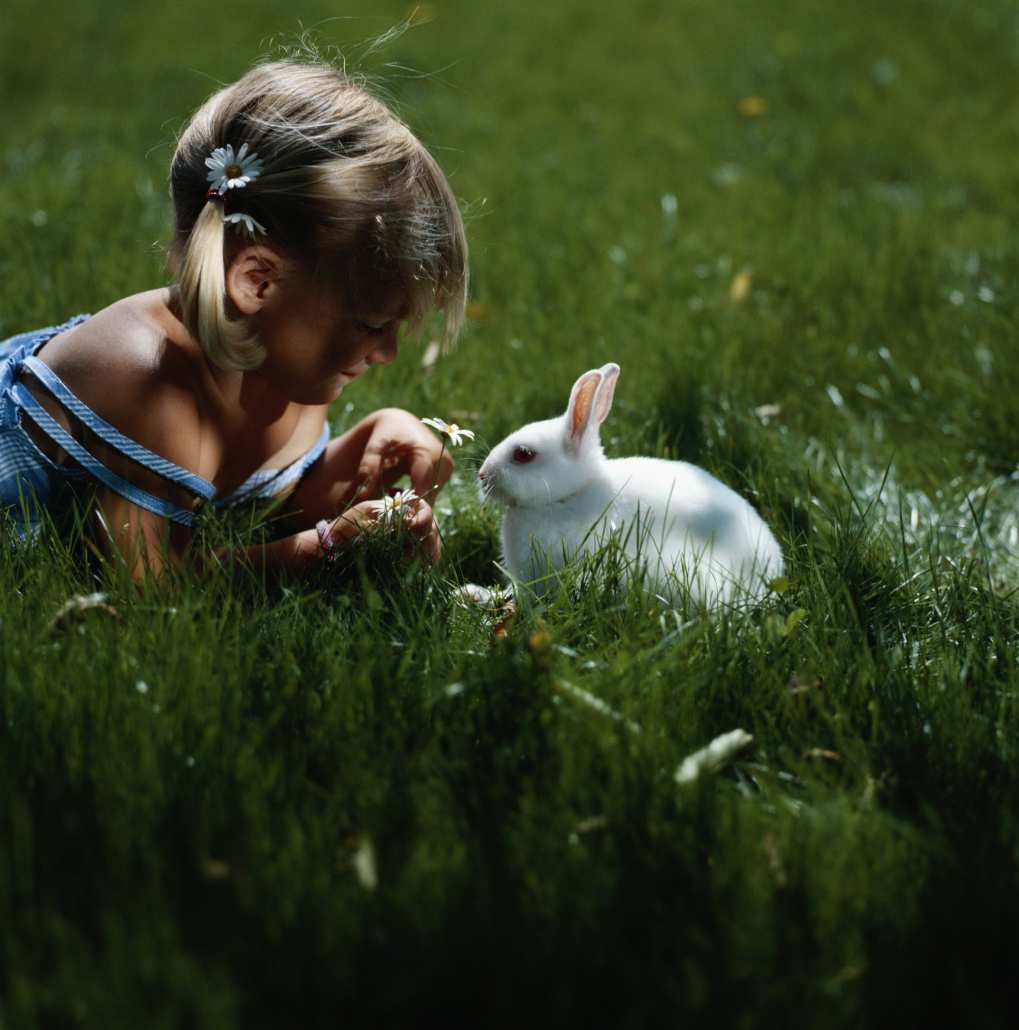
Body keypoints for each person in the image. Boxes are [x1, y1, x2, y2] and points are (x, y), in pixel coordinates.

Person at [0, 58, 468, 580]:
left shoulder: (280, 372)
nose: (388, 354)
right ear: (258, 283)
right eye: (369, 325)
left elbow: (272, 506)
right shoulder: (151, 384)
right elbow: (145, 587)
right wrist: (323, 550)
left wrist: (364, 446)